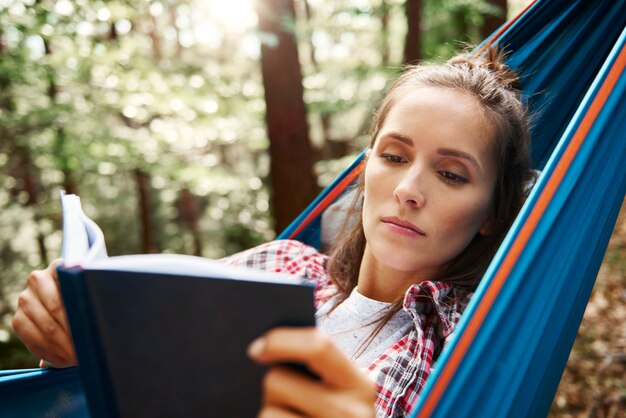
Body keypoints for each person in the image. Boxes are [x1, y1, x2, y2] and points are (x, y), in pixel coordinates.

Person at [13, 48, 532, 417]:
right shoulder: (281, 266)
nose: (409, 190)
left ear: (491, 212)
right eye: (394, 157)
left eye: (451, 175)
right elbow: (141, 363)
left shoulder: (468, 351)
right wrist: (71, 339)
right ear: (365, 168)